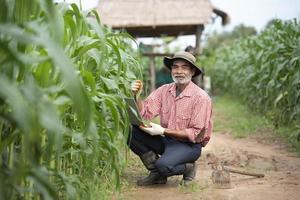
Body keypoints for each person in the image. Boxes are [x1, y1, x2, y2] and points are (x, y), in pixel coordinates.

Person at [128, 51, 213, 186]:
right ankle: (157, 174)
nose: (179, 71)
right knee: (130, 130)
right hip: (167, 141)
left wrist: (162, 131)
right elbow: (144, 113)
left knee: (164, 165)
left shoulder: (201, 98)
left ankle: (188, 168)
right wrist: (136, 96)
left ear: (192, 71)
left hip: (189, 145)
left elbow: (195, 134)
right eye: (175, 67)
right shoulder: (164, 91)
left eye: (184, 67)